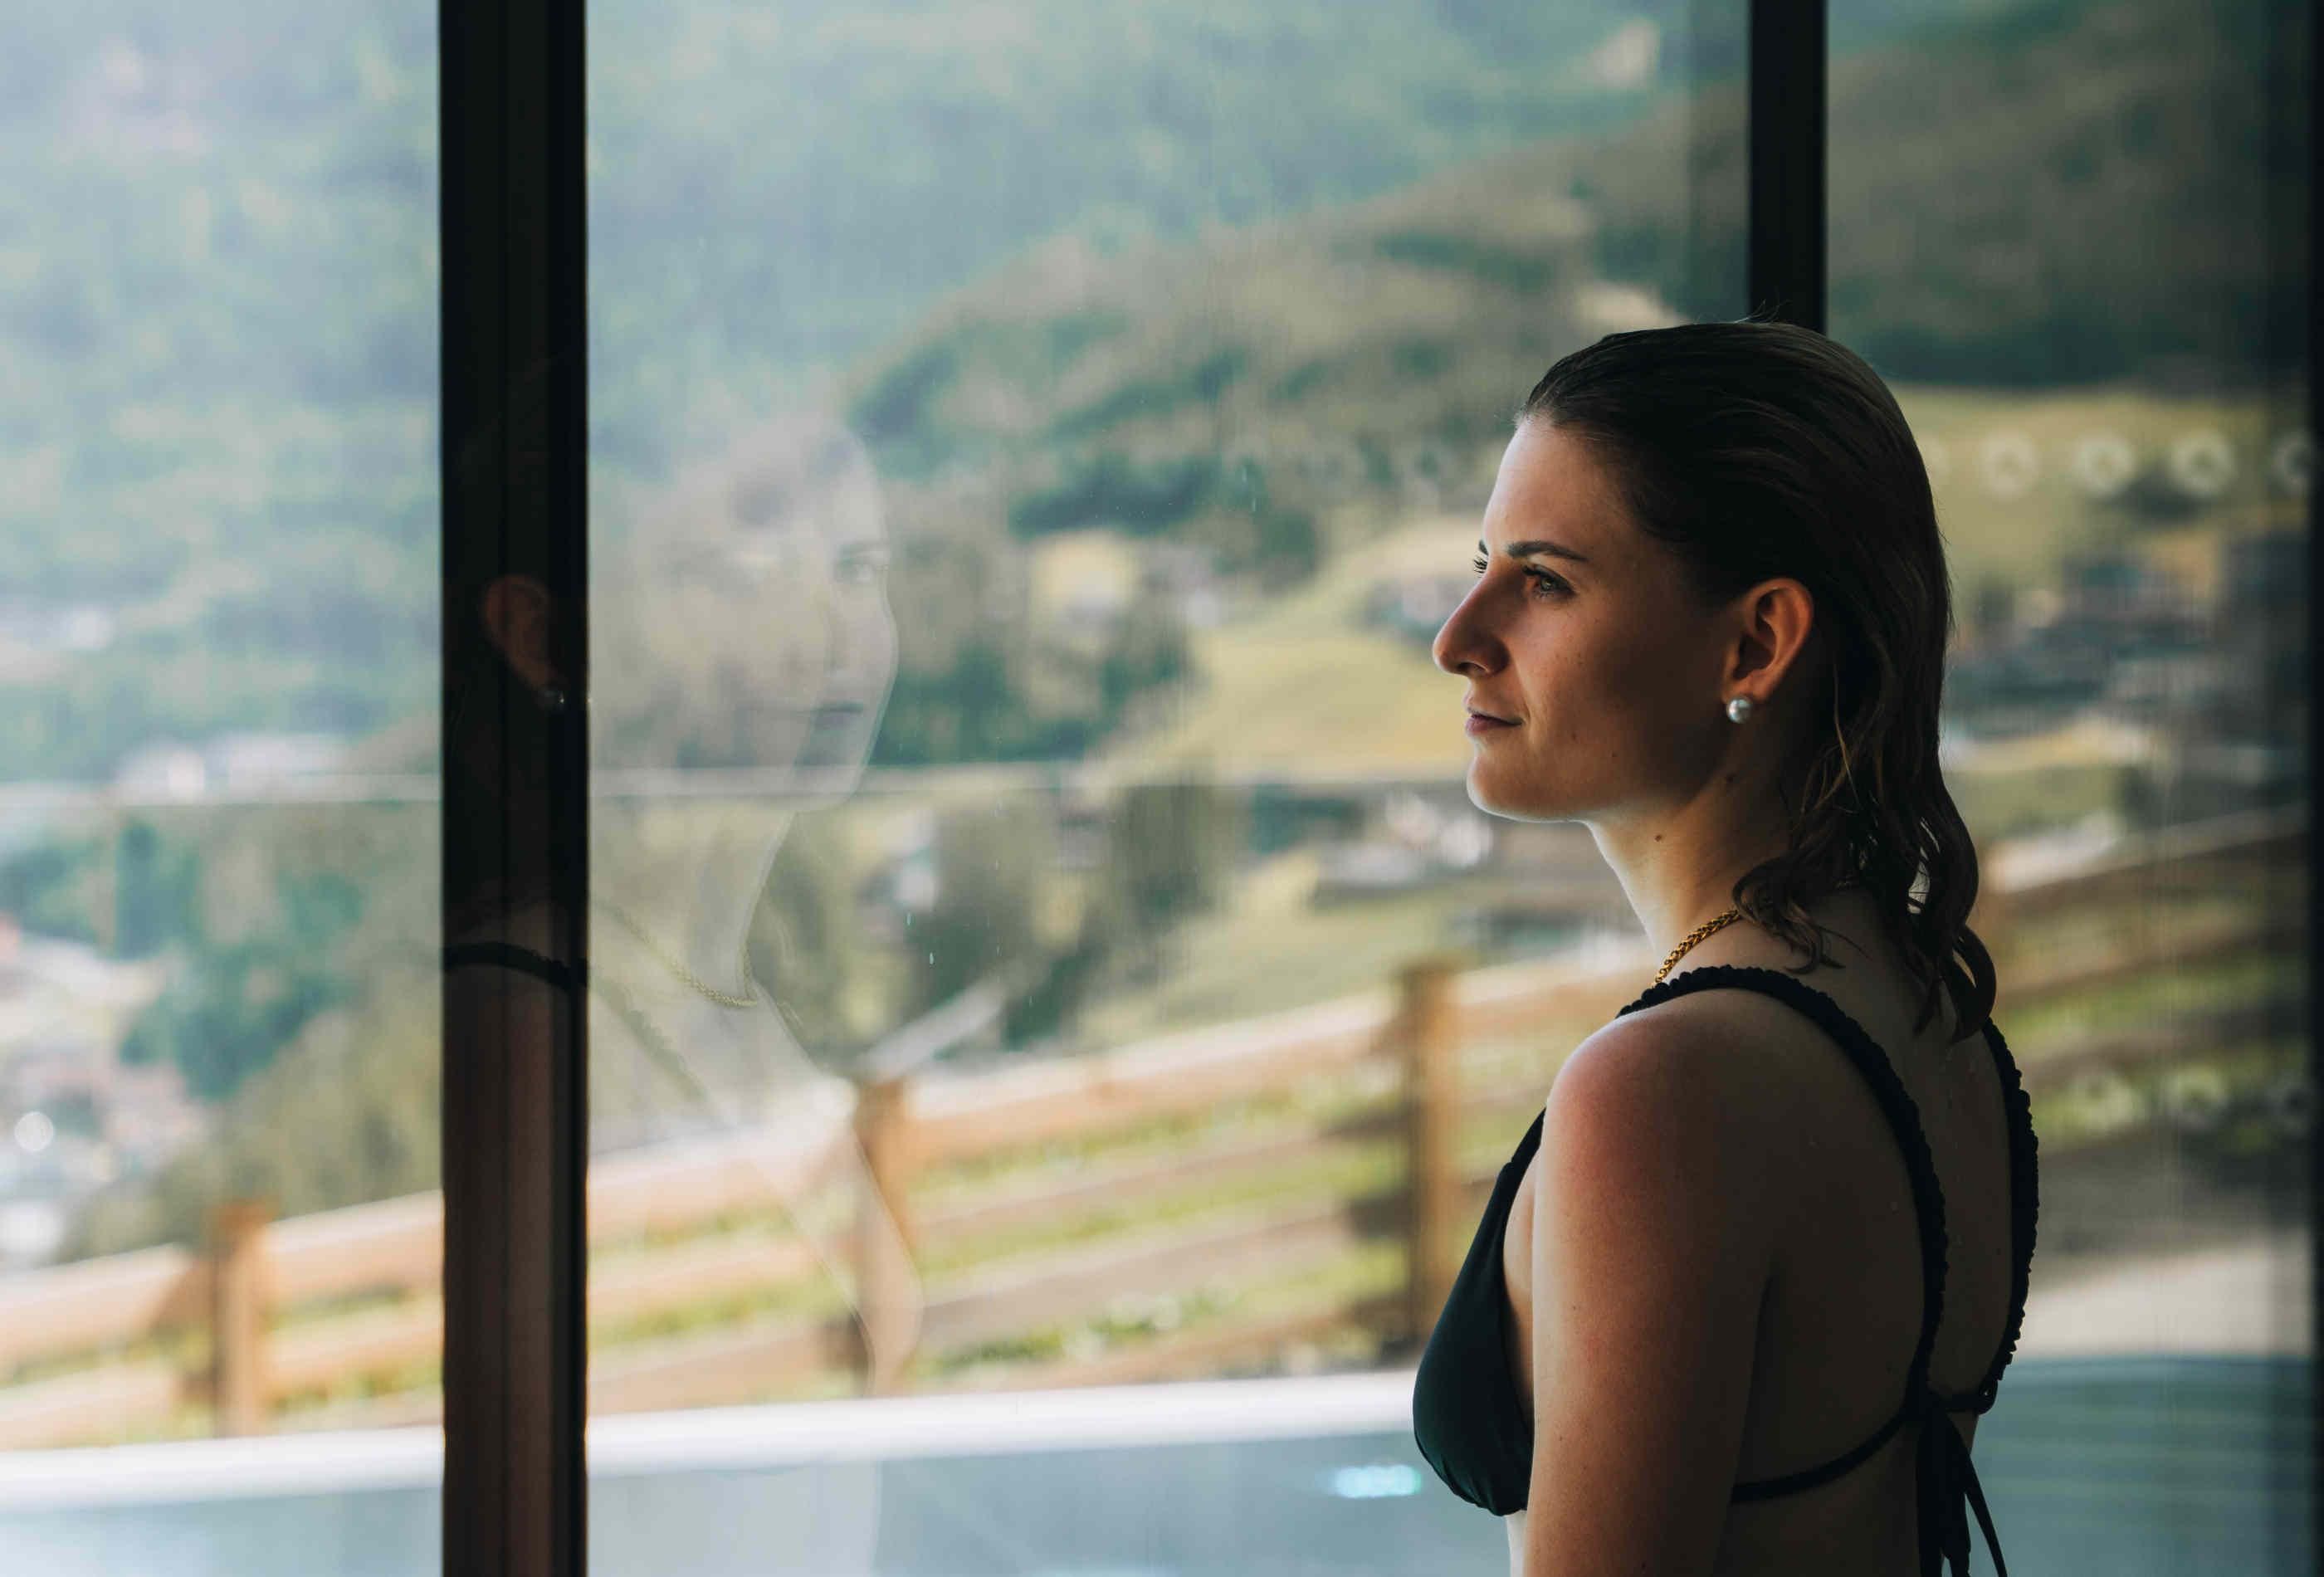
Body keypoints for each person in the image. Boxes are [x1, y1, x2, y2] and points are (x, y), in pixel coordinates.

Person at [1409, 315, 2039, 1577]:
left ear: (1754, 644)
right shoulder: (1931, 1019)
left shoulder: (1666, 1088)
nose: (1458, 637)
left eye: (1544, 581)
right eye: (1484, 563)